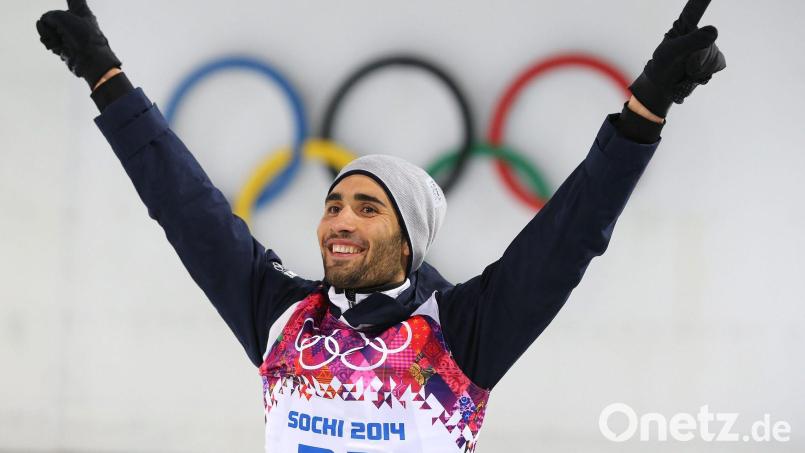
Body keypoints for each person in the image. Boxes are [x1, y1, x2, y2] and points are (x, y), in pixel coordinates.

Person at [36, 1, 725, 451]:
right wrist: (106, 77)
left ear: (409, 238)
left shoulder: (462, 330)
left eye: (368, 208)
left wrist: (646, 107)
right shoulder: (280, 314)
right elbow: (185, 207)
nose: (339, 219)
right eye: (334, 203)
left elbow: (571, 233)